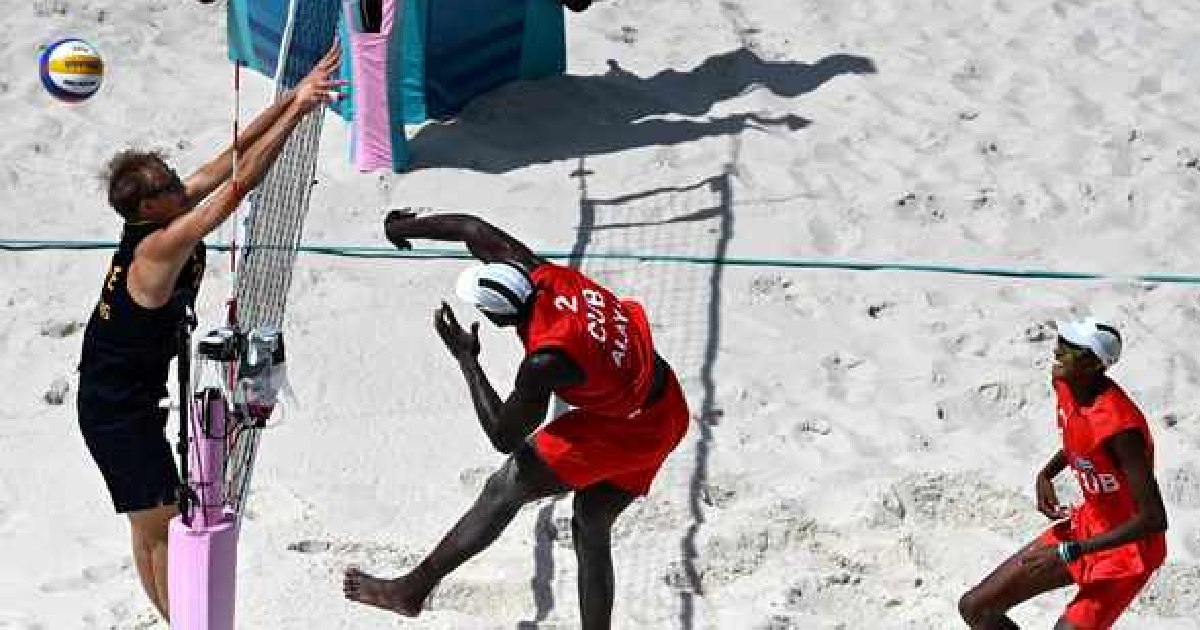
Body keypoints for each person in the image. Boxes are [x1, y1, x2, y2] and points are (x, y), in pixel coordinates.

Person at [75, 45, 343, 620]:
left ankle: (176, 618)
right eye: (172, 183)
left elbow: (231, 156)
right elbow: (241, 186)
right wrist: (298, 113)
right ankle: (184, 620)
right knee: (161, 525)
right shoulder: (159, 245)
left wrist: (294, 93)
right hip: (115, 410)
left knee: (152, 523)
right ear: (149, 206)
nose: (183, 183)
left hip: (124, 398)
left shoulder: (164, 211)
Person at [344, 211, 690, 629]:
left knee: (505, 488)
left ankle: (410, 591)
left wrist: (467, 361)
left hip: (630, 429)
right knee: (591, 522)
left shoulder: (546, 361)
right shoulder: (543, 276)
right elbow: (471, 229)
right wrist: (401, 229)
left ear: (498, 318)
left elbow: (504, 434)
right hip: (667, 404)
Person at [958, 318, 1168, 629]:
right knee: (976, 608)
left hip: (1129, 550)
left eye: (1070, 348)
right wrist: (1047, 473)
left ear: (1094, 364)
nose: (1058, 351)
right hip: (1088, 526)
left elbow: (1153, 519)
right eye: (1062, 342)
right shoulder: (1067, 386)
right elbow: (1081, 438)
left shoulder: (1122, 428)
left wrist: (1071, 550)